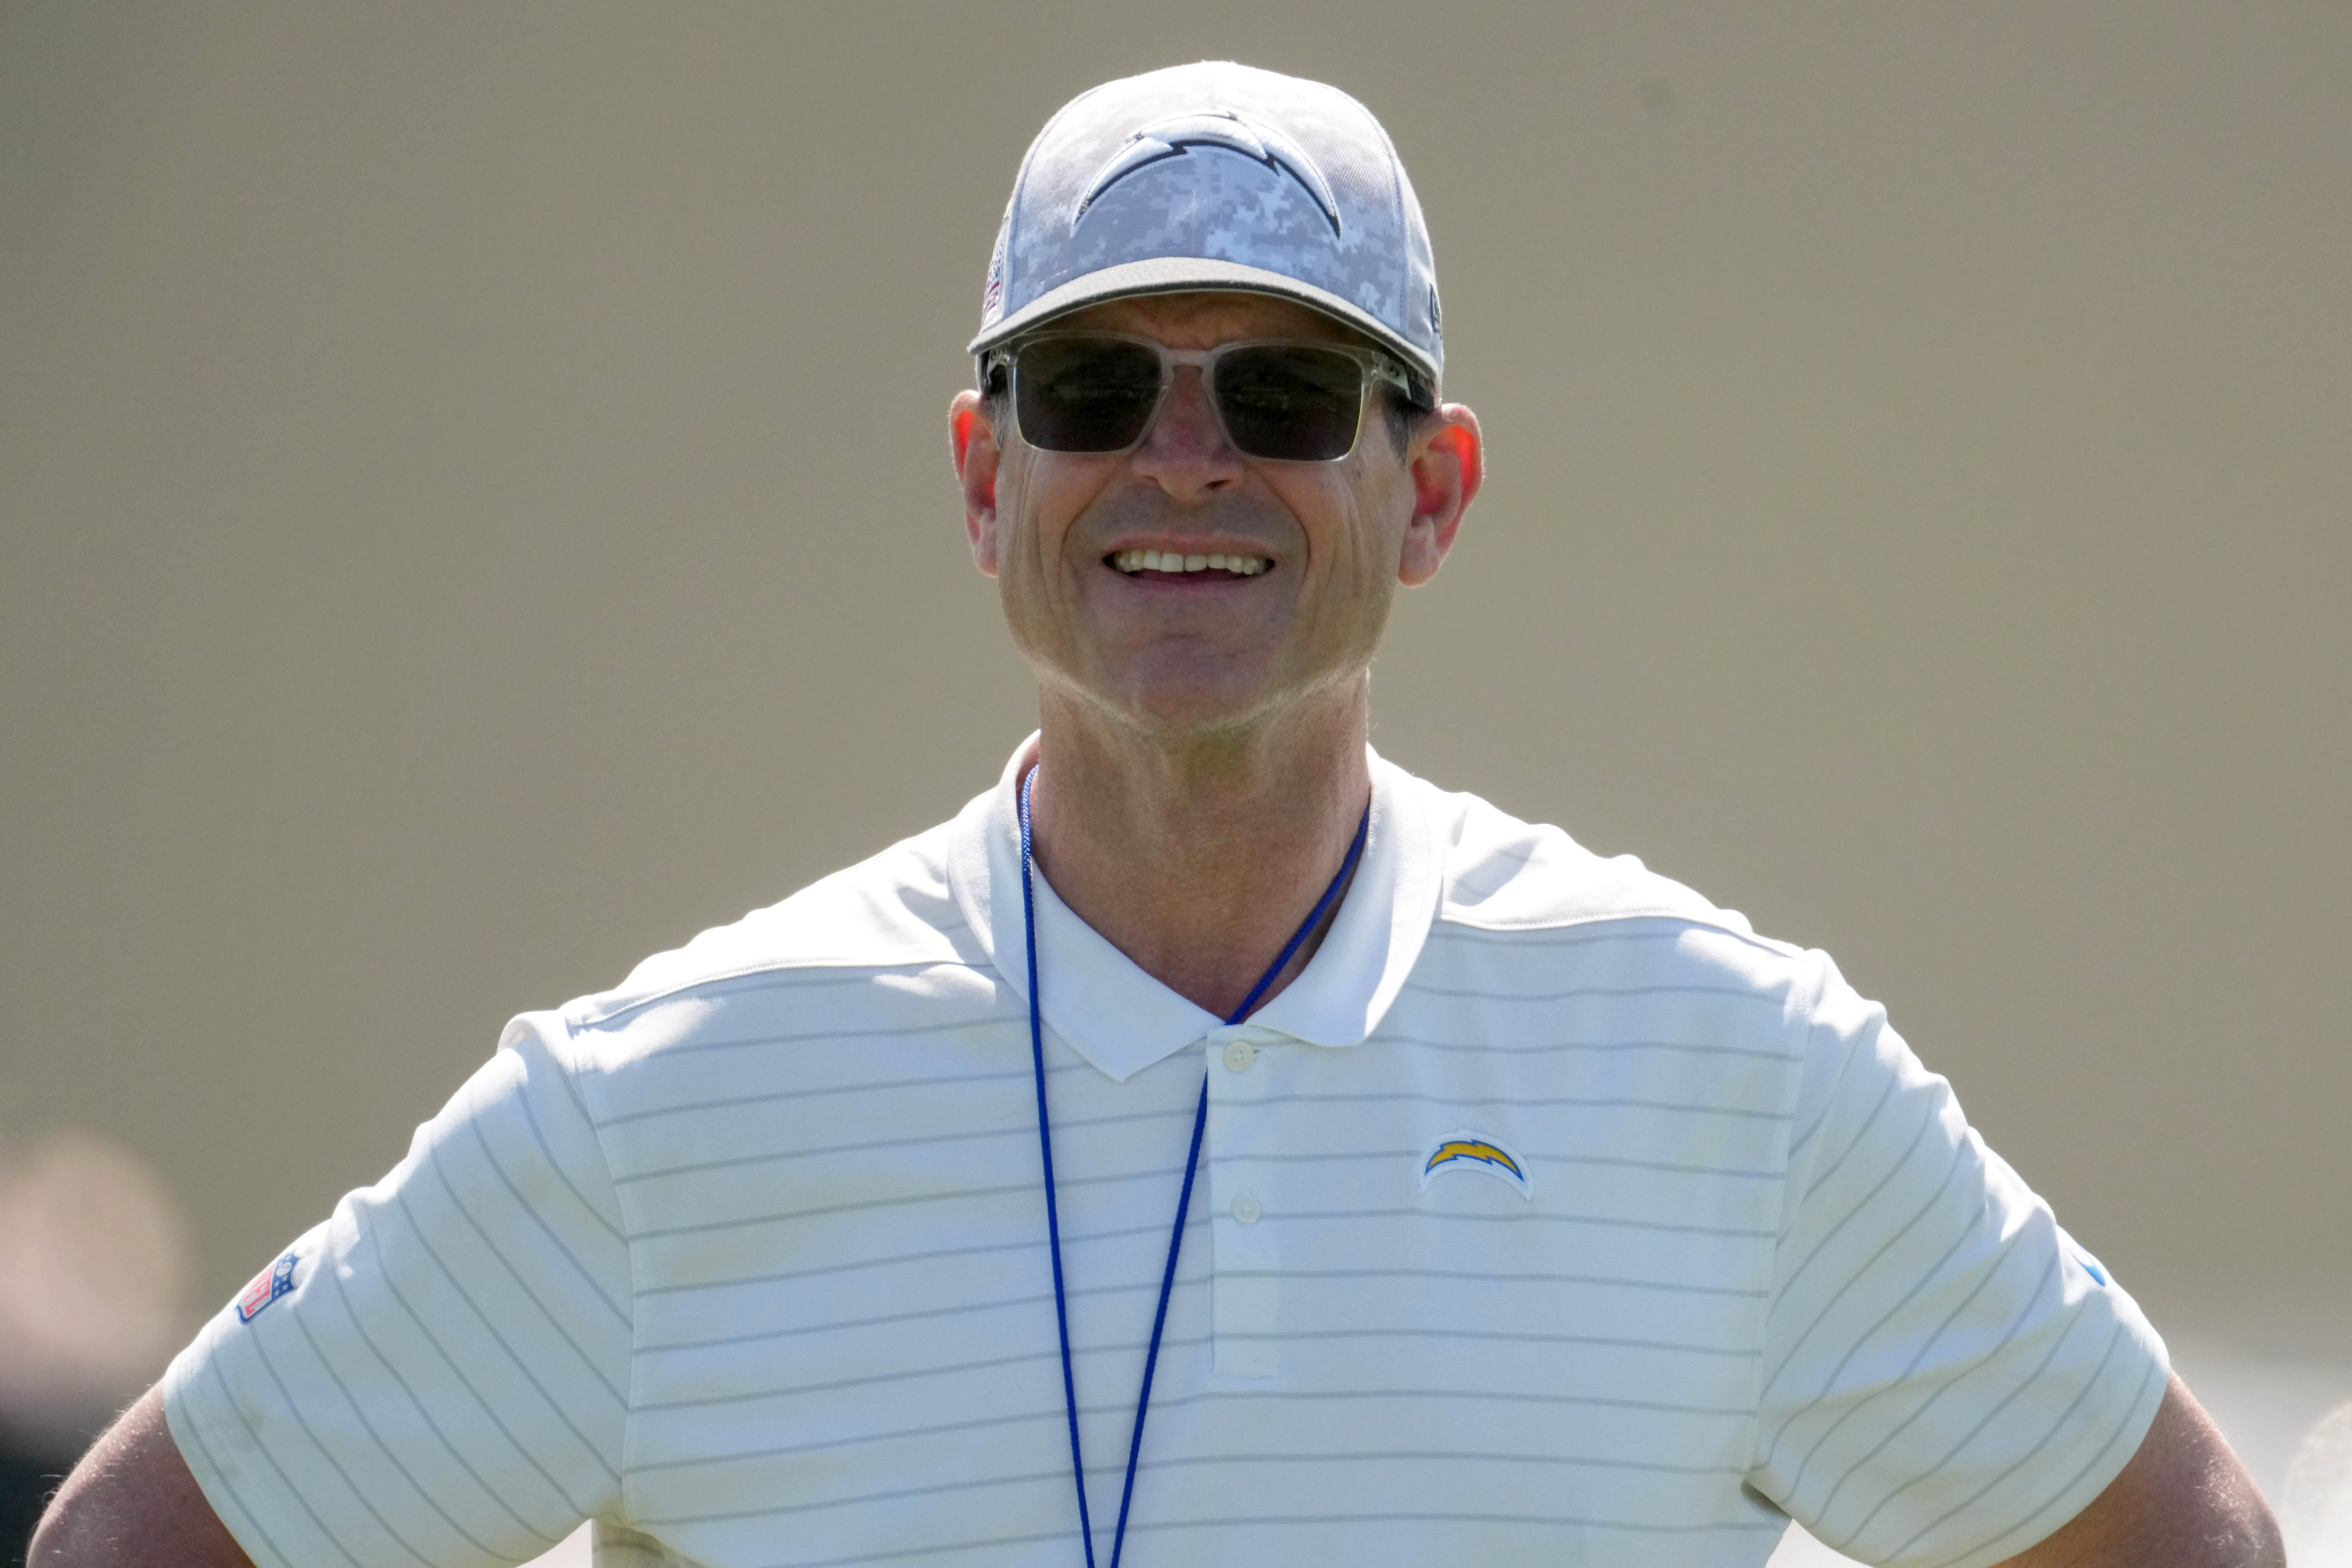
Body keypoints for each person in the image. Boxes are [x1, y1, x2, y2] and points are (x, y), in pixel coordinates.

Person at [34, 60, 2280, 1568]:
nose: (1184, 460)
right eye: (1098, 384)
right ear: (985, 473)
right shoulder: (664, 1108)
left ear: (1429, 491)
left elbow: (2180, 1543)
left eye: (1286, 391)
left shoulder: (1730, 1069)